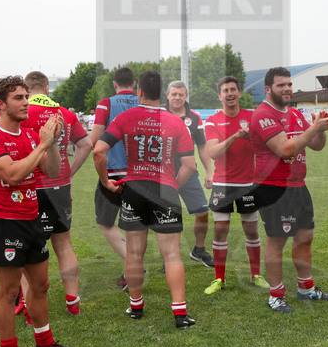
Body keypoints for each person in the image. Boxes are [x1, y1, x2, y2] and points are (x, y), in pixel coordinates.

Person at [0, 75, 79, 347]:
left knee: (41, 285)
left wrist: (54, 143)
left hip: (33, 218)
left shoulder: (32, 135)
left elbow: (52, 170)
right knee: (9, 293)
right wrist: (42, 144)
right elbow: (12, 175)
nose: (26, 103)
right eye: (19, 98)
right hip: (6, 222)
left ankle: (44, 343)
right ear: (1, 104)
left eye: (25, 96)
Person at [92, 70, 197, 329]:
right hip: (165, 190)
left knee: (135, 254)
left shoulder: (126, 116)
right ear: (162, 93)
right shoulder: (176, 122)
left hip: (135, 188)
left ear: (139, 91)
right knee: (171, 254)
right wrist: (173, 185)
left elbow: (98, 150)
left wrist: (106, 182)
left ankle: (136, 306)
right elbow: (190, 166)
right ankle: (180, 314)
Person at [249, 67, 328, 313]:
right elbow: (286, 150)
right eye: (281, 85)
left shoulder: (296, 114)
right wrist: (313, 128)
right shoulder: (263, 114)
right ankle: (276, 294)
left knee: (305, 236)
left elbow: (316, 146)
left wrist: (320, 128)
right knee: (277, 241)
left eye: (289, 84)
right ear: (268, 89)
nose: (287, 89)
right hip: (274, 188)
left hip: (298, 185)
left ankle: (306, 289)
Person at [22, 71, 92, 316]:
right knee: (64, 246)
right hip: (60, 187)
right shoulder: (65, 113)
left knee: (29, 250)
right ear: (47, 88)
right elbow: (86, 144)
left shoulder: (21, 112)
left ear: (26, 90)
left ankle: (31, 308)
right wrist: (69, 173)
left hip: (31, 186)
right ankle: (73, 302)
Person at [202, 76, 269, 294]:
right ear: (219, 96)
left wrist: (249, 138)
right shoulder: (212, 121)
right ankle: (219, 279)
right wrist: (236, 136)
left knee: (251, 229)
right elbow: (213, 152)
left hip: (249, 184)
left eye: (233, 89)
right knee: (221, 230)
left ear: (240, 93)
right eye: (225, 90)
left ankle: (256, 274)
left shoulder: (253, 116)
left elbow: (264, 146)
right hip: (222, 184)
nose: (229, 94)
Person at [89, 67, 140, 289]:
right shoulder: (143, 103)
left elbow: (96, 139)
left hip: (113, 174)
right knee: (135, 227)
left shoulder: (106, 103)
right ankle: (133, 268)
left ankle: (133, 268)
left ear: (114, 84)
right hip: (141, 175)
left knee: (106, 223)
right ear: (135, 84)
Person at [165, 81, 215, 268]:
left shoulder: (194, 118)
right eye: (174, 94)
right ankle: (168, 257)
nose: (177, 98)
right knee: (167, 216)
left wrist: (209, 172)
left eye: (181, 95)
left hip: (189, 173)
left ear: (186, 96)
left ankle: (199, 251)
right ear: (167, 94)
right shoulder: (159, 113)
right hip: (165, 174)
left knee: (202, 212)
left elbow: (202, 147)